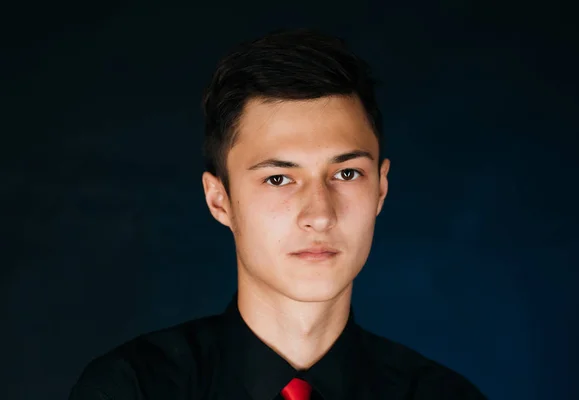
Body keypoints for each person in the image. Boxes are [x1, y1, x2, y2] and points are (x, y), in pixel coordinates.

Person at [69, 28, 486, 400]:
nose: (320, 215)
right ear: (220, 201)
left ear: (380, 188)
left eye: (346, 173)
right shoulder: (130, 390)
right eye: (278, 179)